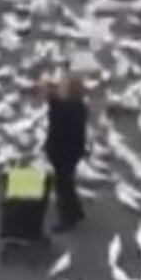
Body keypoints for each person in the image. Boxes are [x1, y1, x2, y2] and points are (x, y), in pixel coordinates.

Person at [42, 74, 88, 231]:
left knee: (63, 185)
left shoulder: (65, 108)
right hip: (72, 150)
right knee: (67, 182)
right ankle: (76, 211)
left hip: (63, 151)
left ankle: (68, 219)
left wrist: (51, 96)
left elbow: (58, 125)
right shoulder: (78, 106)